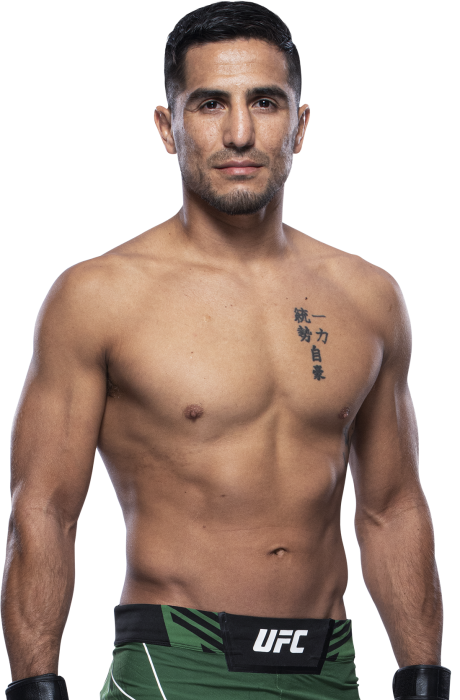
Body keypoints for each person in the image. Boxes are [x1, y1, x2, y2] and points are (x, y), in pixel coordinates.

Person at [2, 2, 451, 699]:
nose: (240, 132)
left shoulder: (368, 299)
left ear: (299, 126)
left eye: (265, 102)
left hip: (330, 668)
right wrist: (36, 687)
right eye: (210, 103)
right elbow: (45, 510)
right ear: (167, 128)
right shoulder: (97, 297)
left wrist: (425, 677)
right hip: (176, 667)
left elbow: (392, 508)